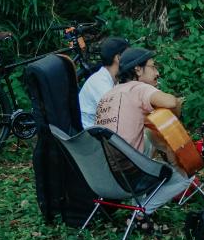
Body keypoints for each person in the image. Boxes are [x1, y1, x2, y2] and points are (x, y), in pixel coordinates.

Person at [95, 47, 191, 226]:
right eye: (153, 67)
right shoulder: (138, 88)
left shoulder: (108, 95)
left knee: (147, 135)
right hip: (131, 173)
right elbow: (171, 102)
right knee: (185, 178)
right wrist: (177, 106)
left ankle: (137, 204)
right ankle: (141, 213)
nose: (157, 72)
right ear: (138, 70)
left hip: (104, 173)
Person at [78, 37, 129, 128]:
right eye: (128, 55)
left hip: (101, 128)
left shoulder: (112, 78)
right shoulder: (100, 83)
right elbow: (118, 114)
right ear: (118, 58)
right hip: (89, 134)